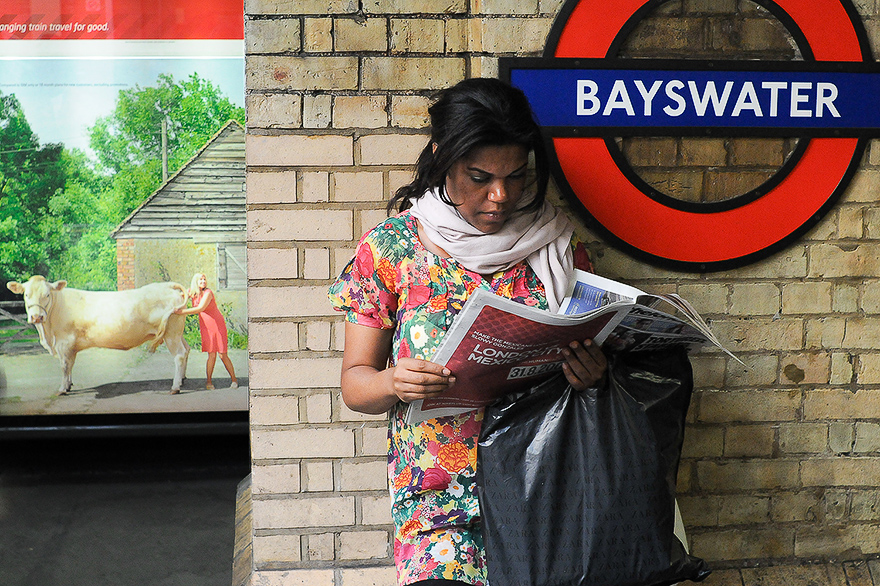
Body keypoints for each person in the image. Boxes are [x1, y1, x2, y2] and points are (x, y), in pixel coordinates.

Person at [328, 78, 607, 586]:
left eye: (516, 176)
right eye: (479, 177)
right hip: (438, 504)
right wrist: (393, 382)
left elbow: (585, 353)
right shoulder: (392, 249)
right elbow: (355, 384)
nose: (500, 197)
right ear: (441, 159)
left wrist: (591, 373)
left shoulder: (558, 246)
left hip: (543, 493)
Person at [175, 273, 238, 392]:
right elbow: (181, 296)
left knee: (222, 355)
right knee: (211, 354)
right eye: (201, 280)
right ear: (195, 282)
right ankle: (208, 381)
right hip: (206, 326)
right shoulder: (192, 292)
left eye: (204, 279)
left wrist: (181, 312)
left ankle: (234, 379)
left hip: (217, 325)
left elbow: (199, 309)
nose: (203, 281)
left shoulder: (208, 293)